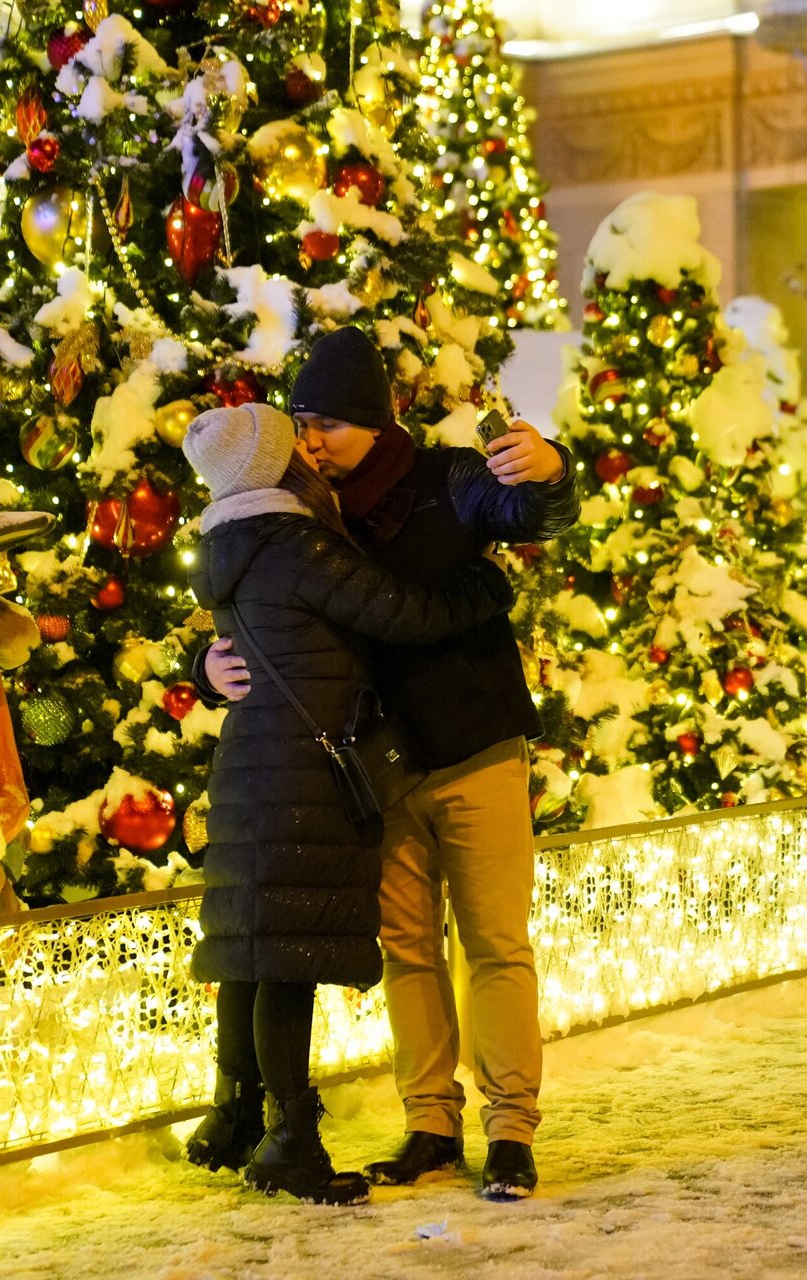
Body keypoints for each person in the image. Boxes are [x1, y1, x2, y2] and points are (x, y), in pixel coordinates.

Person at [198, 327, 578, 1201]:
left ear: (376, 421)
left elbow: (526, 513)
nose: (313, 438)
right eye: (301, 421)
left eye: (329, 421)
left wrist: (551, 472)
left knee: (494, 941)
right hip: (376, 768)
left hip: (475, 746)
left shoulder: (447, 482)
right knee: (406, 947)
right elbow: (255, 611)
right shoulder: (297, 507)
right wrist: (207, 673)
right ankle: (429, 1125)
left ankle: (511, 1129)